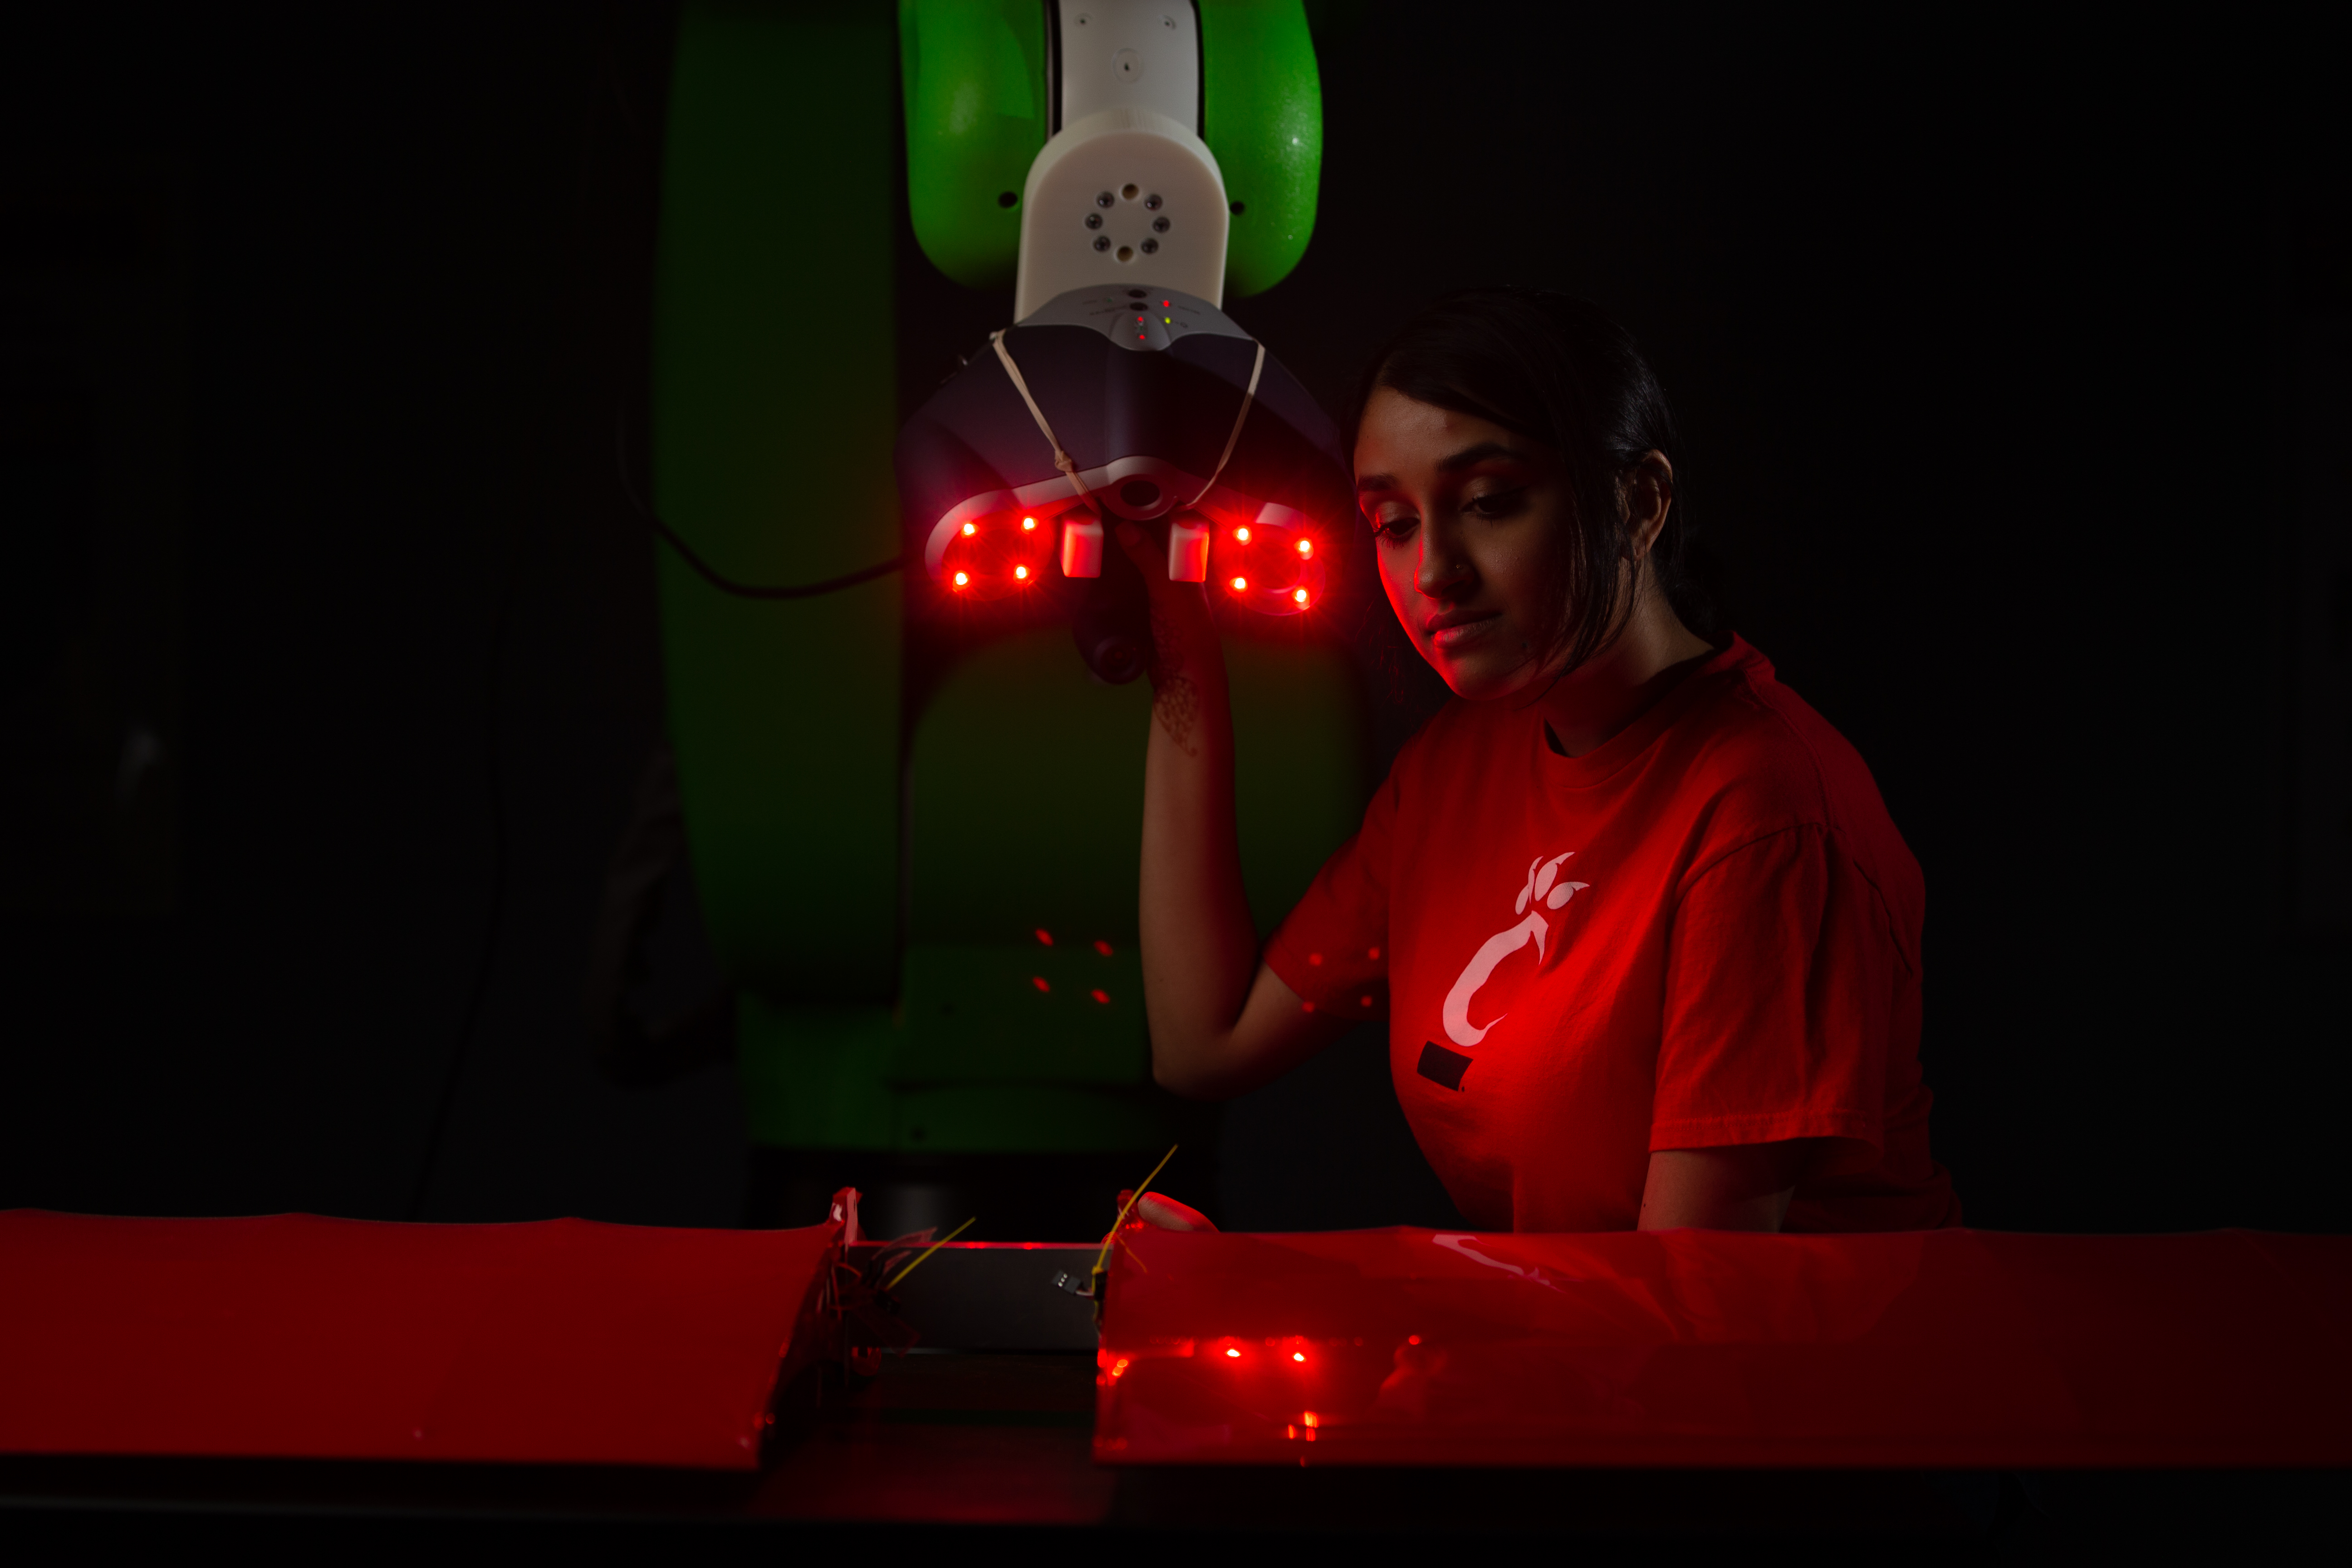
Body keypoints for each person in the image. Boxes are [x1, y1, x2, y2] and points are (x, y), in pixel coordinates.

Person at [1115, 289, 1957, 1234]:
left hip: (1801, 1375)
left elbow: (1687, 1318)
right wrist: (1176, 634)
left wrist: (1283, 1303)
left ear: (1639, 502)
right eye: (1393, 523)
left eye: (1489, 503)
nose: (1435, 570)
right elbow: (1204, 1043)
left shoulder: (1765, 815)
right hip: (1565, 1363)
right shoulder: (1458, 766)